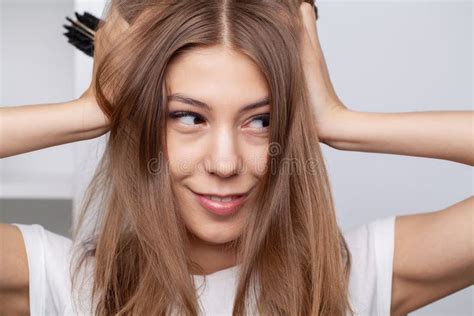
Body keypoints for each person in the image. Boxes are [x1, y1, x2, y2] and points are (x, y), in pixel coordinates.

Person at [0, 0, 472, 315]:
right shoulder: (68, 284)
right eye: (188, 117)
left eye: (260, 120)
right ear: (144, 124)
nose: (225, 163)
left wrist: (339, 124)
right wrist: (92, 112)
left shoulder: (354, 278)